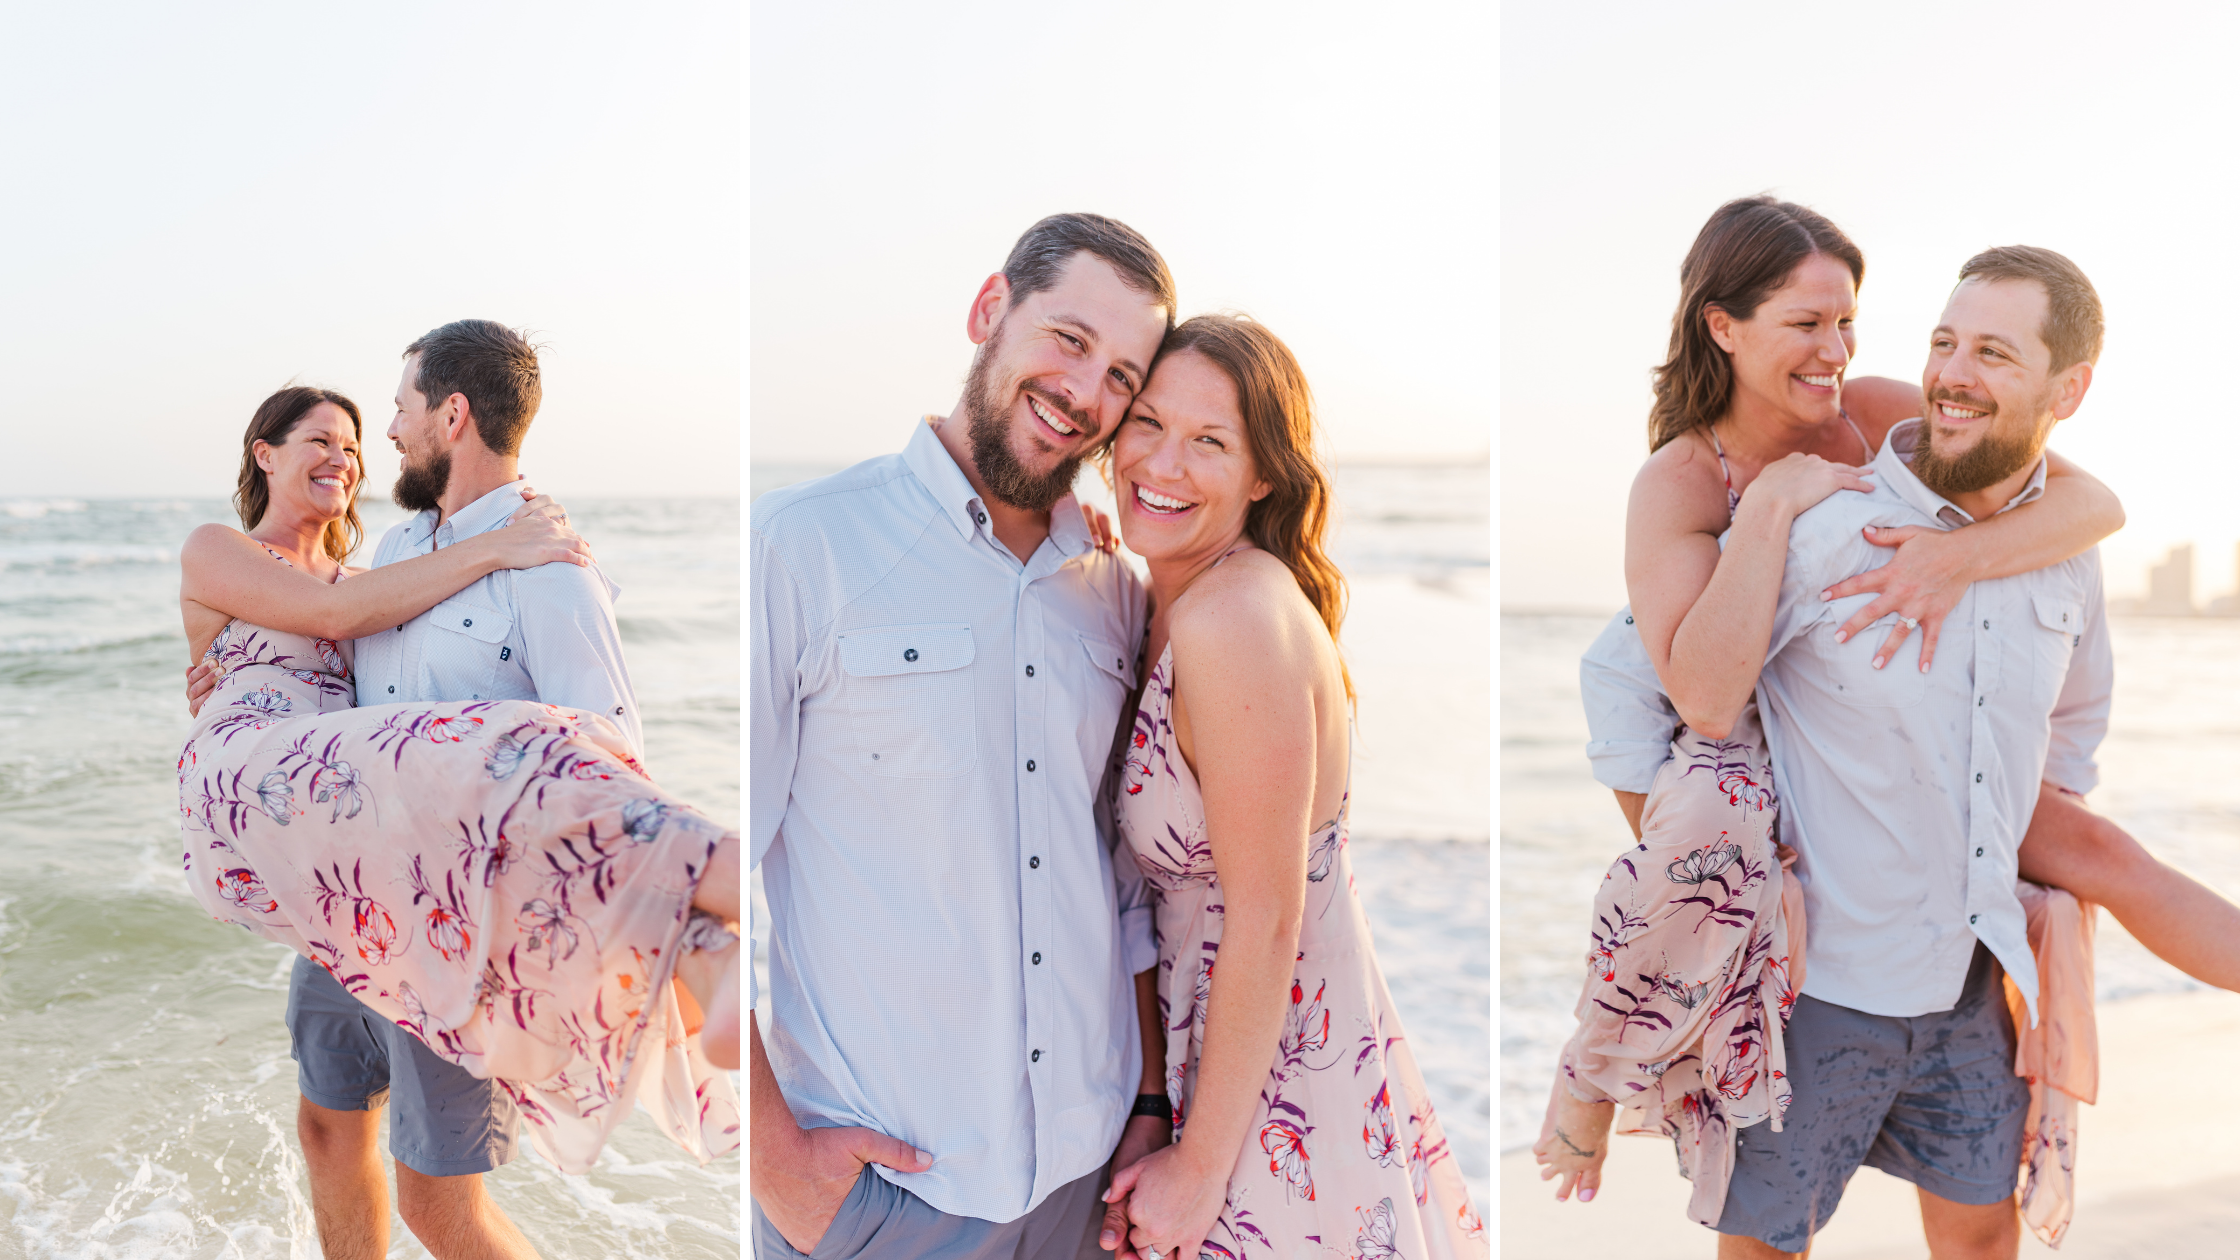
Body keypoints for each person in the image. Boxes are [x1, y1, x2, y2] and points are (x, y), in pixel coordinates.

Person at [1542, 232, 2125, 1257]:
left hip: (1884, 839)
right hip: (1687, 712)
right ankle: (1592, 1079)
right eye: (1805, 324)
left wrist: (1956, 560)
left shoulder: (1869, 412)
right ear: (1721, 328)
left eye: (1846, 319)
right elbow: (1697, 697)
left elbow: (2084, 499)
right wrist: (1766, 505)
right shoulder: (1682, 484)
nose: (1835, 349)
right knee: (1698, 844)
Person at [178, 323, 741, 1260]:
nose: (374, 445)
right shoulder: (395, 555)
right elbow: (321, 633)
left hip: (456, 923)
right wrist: (223, 677)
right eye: (327, 439)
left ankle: (714, 908)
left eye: (386, 419)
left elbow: (602, 749)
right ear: (263, 455)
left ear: (452, 413)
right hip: (346, 890)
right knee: (327, 1126)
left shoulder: (551, 567)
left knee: (438, 1207)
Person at [749, 214, 1176, 1259]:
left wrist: (1151, 1102)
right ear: (990, 309)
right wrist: (778, 1170)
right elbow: (701, 883)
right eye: (1068, 339)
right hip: (884, 1197)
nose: (1084, 393)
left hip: (1087, 1179)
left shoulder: (1117, 589)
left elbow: (1118, 879)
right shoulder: (803, 544)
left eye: (1122, 375)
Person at [1096, 315, 1484, 1260]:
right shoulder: (1165, 596)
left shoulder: (1232, 619)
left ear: (1263, 473)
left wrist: (1199, 1168)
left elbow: (1268, 918)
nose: (1164, 462)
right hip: (1216, 1070)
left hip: (1276, 1099)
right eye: (1146, 423)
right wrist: (1155, 1100)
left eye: (1210, 442)